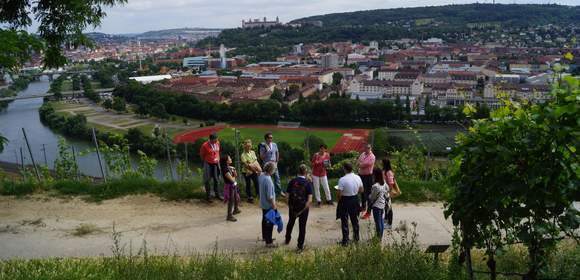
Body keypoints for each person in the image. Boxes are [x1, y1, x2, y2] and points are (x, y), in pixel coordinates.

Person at [285, 164, 313, 251]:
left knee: (290, 223)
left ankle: (287, 239)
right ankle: (300, 246)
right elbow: (310, 200)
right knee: (302, 227)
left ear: (298, 171)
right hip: (303, 208)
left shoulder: (292, 181)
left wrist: (290, 206)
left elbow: (287, 196)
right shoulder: (308, 183)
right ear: (306, 172)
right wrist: (304, 209)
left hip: (293, 207)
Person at [336, 162, 363, 246]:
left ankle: (345, 241)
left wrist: (339, 199)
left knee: (344, 221)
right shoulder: (358, 177)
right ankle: (356, 238)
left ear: (344, 169)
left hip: (345, 200)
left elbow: (339, 194)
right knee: (355, 220)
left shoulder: (342, 179)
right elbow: (361, 190)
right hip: (355, 199)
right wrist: (354, 191)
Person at [259, 132, 285, 197]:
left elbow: (277, 152)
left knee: (277, 178)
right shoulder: (263, 146)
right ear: (266, 138)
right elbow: (261, 157)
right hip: (267, 164)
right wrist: (267, 151)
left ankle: (279, 191)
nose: (271, 139)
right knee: (267, 178)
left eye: (271, 137)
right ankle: (268, 192)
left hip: (274, 163)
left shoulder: (274, 144)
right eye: (270, 138)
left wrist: (277, 161)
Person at [259, 162, 278, 248]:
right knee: (269, 223)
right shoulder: (268, 180)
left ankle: (265, 237)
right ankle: (269, 242)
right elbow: (270, 196)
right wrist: (274, 205)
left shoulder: (262, 176)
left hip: (263, 203)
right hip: (268, 205)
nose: (275, 170)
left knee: (264, 220)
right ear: (271, 170)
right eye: (274, 169)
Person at [200, 133, 221, 201]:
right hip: (208, 164)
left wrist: (217, 159)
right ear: (211, 139)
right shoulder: (205, 145)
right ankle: (208, 196)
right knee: (207, 180)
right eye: (215, 139)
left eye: (217, 139)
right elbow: (202, 155)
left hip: (216, 163)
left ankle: (217, 194)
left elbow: (217, 152)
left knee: (217, 179)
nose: (217, 140)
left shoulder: (217, 143)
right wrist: (207, 160)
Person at [357, 144, 376, 219]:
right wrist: (360, 164)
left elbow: (365, 164)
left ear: (370, 148)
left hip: (368, 176)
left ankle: (368, 212)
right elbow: (359, 161)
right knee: (362, 191)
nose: (367, 149)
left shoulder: (372, 156)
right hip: (361, 175)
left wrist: (360, 164)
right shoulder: (362, 154)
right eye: (366, 148)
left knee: (368, 194)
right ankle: (363, 206)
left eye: (368, 148)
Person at [382, 158, 401, 230]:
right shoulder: (385, 171)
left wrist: (388, 192)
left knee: (389, 208)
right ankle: (386, 220)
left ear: (385, 164)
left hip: (388, 192)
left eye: (382, 163)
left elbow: (391, 183)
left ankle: (389, 224)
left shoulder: (389, 172)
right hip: (385, 191)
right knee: (386, 207)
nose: (381, 164)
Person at [369, 168, 388, 239]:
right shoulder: (384, 183)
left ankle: (378, 238)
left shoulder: (375, 186)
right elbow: (387, 190)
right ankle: (380, 236)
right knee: (381, 221)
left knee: (377, 223)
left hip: (376, 206)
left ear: (375, 175)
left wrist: (369, 196)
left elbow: (372, 198)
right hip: (382, 204)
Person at [221, 154, 241, 222]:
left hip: (232, 185)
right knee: (231, 200)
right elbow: (232, 180)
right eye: (229, 158)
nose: (231, 159)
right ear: (226, 161)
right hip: (229, 186)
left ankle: (236, 209)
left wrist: (234, 170)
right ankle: (229, 215)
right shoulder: (225, 169)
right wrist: (234, 177)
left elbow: (235, 175)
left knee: (235, 197)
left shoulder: (229, 167)